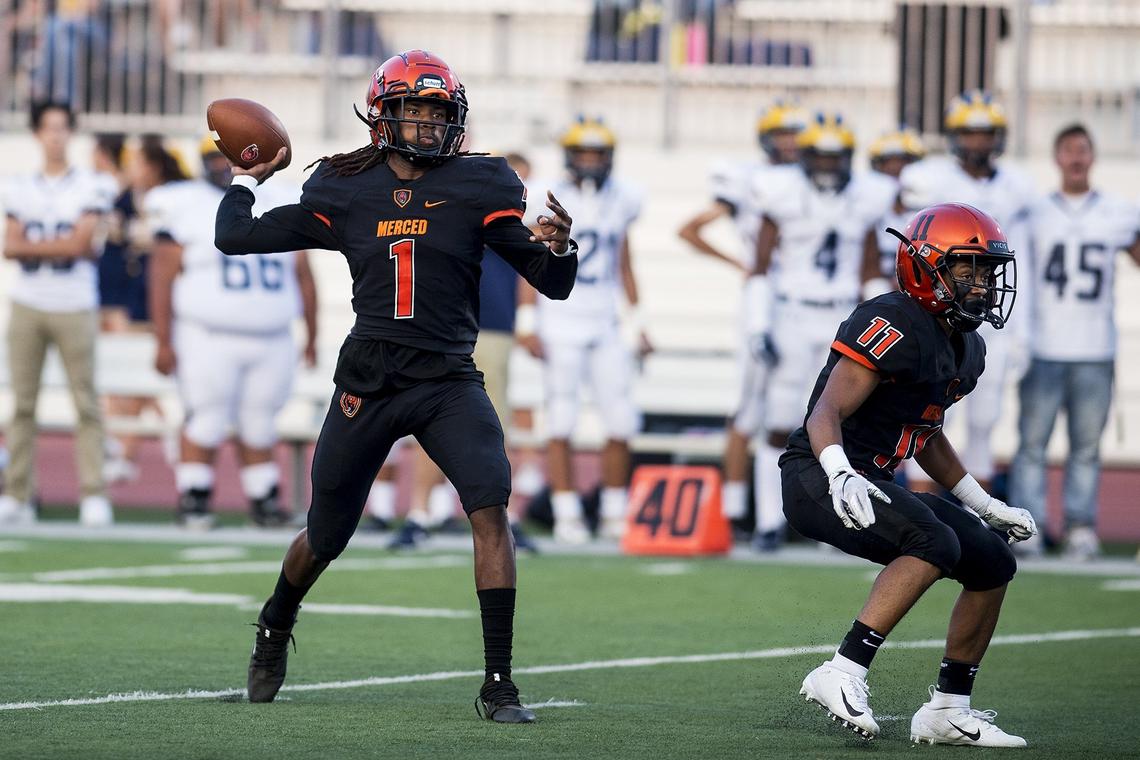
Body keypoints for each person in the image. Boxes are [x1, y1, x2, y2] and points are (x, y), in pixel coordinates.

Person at [213, 50, 576, 722]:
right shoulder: (342, 185)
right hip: (370, 381)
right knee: (326, 534)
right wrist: (245, 177)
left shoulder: (481, 182)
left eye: (438, 111)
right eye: (415, 108)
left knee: (490, 509)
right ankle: (274, 622)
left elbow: (551, 284)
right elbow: (235, 238)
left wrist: (559, 249)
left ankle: (499, 684)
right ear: (384, 114)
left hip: (445, 378)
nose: (428, 123)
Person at [781, 203, 1037, 747]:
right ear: (926, 267)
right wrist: (839, 472)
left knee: (992, 560)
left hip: (874, 476)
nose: (982, 283)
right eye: (966, 269)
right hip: (819, 474)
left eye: (987, 271)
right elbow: (825, 412)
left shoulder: (967, 346)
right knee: (932, 540)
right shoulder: (893, 320)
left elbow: (926, 434)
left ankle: (948, 709)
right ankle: (842, 670)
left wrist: (984, 504)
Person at [148, 136, 318, 529]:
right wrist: (162, 339)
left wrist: (310, 332)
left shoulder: (281, 196)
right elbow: (162, 276)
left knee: (260, 421)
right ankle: (195, 497)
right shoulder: (183, 203)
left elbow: (303, 274)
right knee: (205, 417)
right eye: (216, 157)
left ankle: (262, 500)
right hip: (208, 334)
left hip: (273, 334)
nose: (224, 166)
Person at [746, 112, 895, 550]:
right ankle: (769, 523)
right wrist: (759, 324)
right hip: (792, 314)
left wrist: (881, 323)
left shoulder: (867, 199)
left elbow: (871, 269)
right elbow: (760, 268)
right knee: (777, 421)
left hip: (842, 320)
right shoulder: (782, 194)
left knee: (840, 425)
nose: (829, 166)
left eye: (836, 158)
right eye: (821, 157)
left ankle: (836, 525)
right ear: (806, 158)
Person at [1009, 124, 1140, 560]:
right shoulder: (1035, 212)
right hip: (1043, 345)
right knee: (1032, 444)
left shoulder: (1118, 212)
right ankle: (1028, 526)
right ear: (1056, 157)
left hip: (1094, 349)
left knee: (1086, 447)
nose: (1076, 157)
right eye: (1068, 150)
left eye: (1083, 149)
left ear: (1093, 156)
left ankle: (1080, 527)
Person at [677, 100, 805, 534]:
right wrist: (741, 266)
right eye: (782, 133)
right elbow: (691, 228)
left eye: (795, 134)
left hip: (809, 300)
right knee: (749, 409)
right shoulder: (749, 179)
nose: (790, 142)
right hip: (766, 300)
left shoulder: (818, 181)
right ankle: (734, 512)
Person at [518, 116, 647, 543]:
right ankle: (567, 511)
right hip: (561, 319)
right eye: (584, 153)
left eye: (598, 154)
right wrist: (527, 322)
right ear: (570, 156)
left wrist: (638, 322)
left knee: (620, 420)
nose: (591, 161)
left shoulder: (624, 196)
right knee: (561, 419)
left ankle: (613, 511)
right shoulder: (547, 195)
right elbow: (531, 260)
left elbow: (623, 263)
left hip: (606, 320)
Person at [900, 91, 1035, 492]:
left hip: (990, 315)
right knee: (929, 415)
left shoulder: (1018, 186)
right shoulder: (930, 179)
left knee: (984, 421)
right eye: (970, 133)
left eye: (986, 133)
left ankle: (979, 521)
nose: (979, 142)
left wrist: (1022, 333)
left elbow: (1020, 257)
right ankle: (923, 514)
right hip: (942, 315)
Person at [0, 101, 114, 527]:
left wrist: (40, 243)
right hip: (29, 301)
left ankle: (93, 492)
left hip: (74, 302)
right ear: (36, 133)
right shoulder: (19, 186)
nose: (56, 135)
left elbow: (81, 244)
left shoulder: (90, 184)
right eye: (48, 128)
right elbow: (10, 246)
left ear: (71, 133)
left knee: (85, 401)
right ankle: (17, 492)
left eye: (62, 127)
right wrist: (59, 243)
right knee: (23, 404)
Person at [868, 127, 925, 281]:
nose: (895, 169)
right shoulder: (867, 209)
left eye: (903, 162)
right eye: (888, 163)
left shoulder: (927, 212)